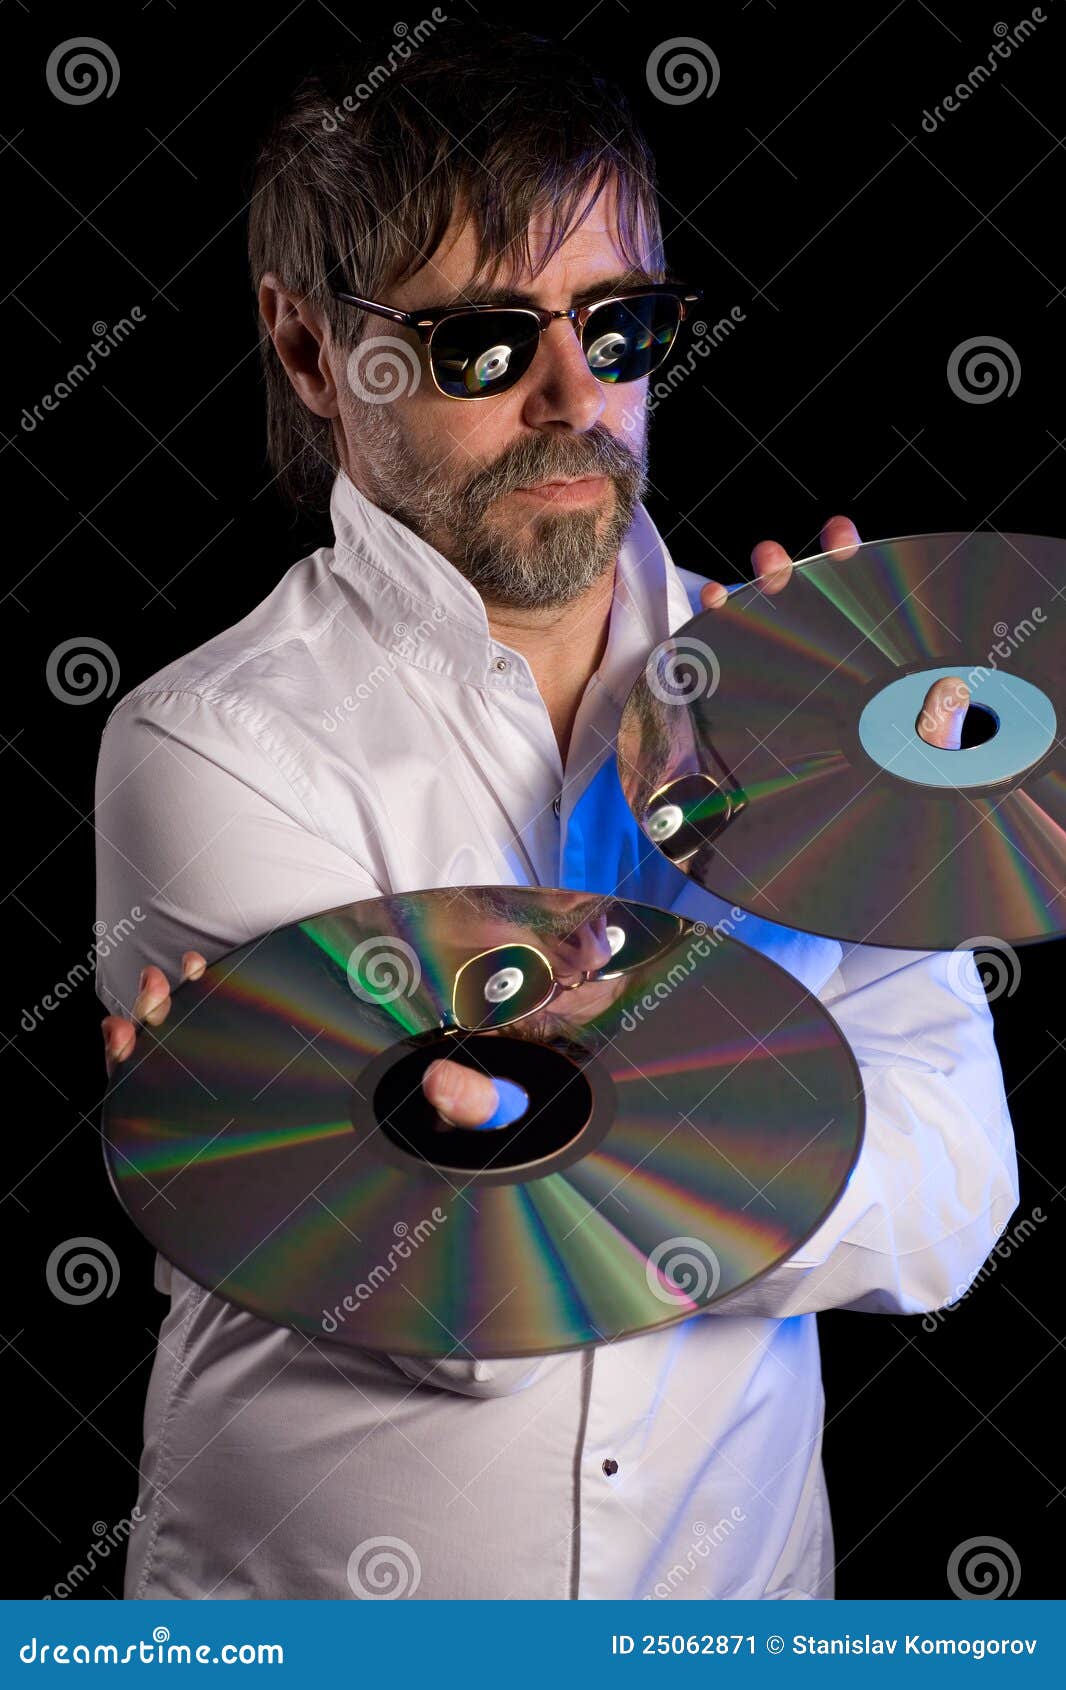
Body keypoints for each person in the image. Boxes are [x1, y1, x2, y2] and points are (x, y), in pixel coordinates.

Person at [94, 22, 1017, 1600]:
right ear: (313, 350)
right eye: (481, 342)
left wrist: (814, 806)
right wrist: (759, 976)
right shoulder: (215, 746)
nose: (571, 395)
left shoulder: (810, 705)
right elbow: (451, 1292)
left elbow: (948, 1202)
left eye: (622, 322)